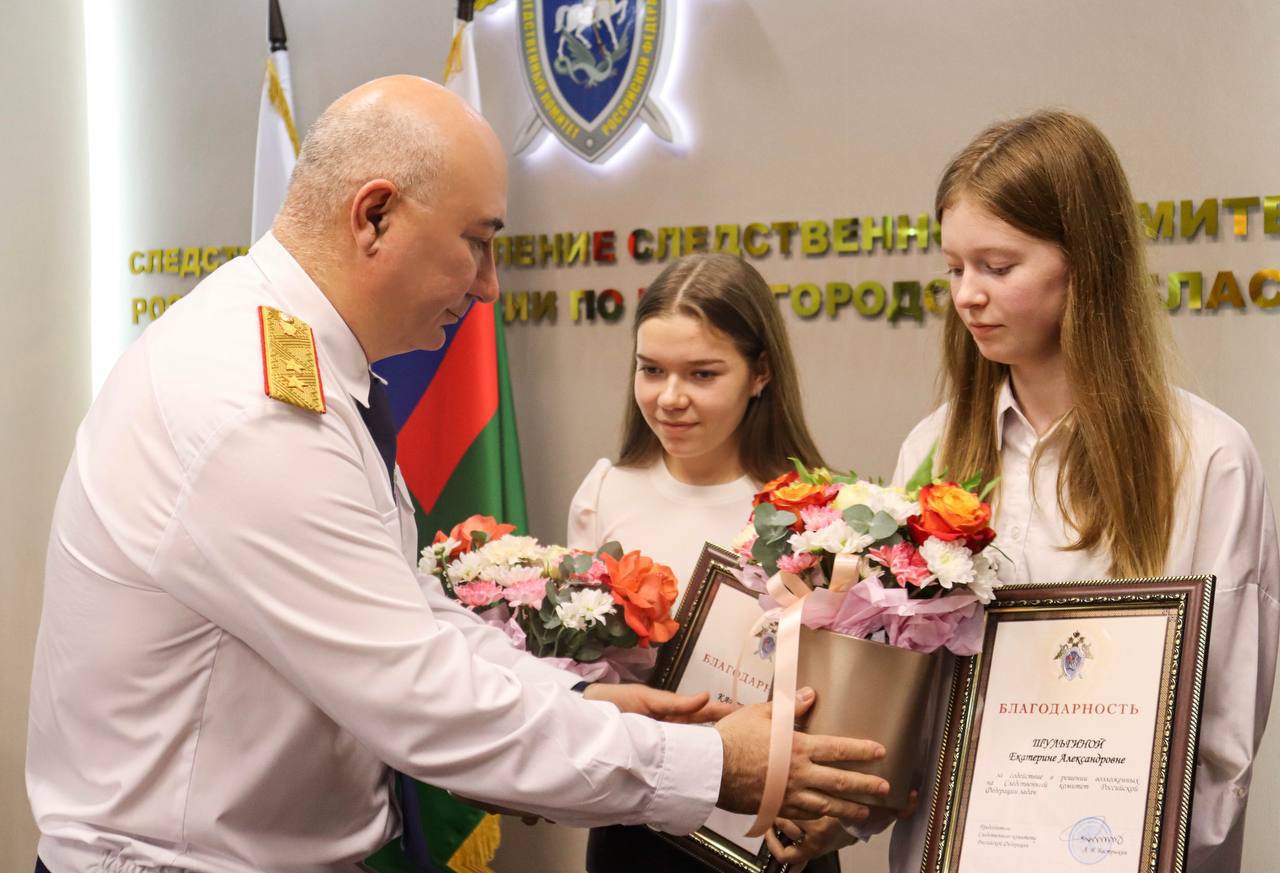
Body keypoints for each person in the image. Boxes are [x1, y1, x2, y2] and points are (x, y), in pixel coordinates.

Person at [24, 77, 892, 873]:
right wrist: (714, 766)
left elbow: (415, 619)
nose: (487, 286)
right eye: (476, 243)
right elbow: (423, 695)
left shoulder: (300, 368)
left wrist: (586, 703)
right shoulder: (255, 409)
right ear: (374, 217)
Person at [875, 109, 1277, 873]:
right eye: (954, 268)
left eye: (998, 266)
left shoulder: (1209, 457)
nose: (967, 296)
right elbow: (912, 697)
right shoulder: (931, 447)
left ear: (1086, 262)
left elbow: (1222, 739)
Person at [568, 252, 856, 872]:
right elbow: (582, 676)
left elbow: (846, 692)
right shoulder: (603, 493)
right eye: (651, 370)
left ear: (760, 374)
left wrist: (827, 814)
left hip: (775, 831)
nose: (670, 398)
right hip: (639, 827)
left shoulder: (817, 510)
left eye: (702, 374)